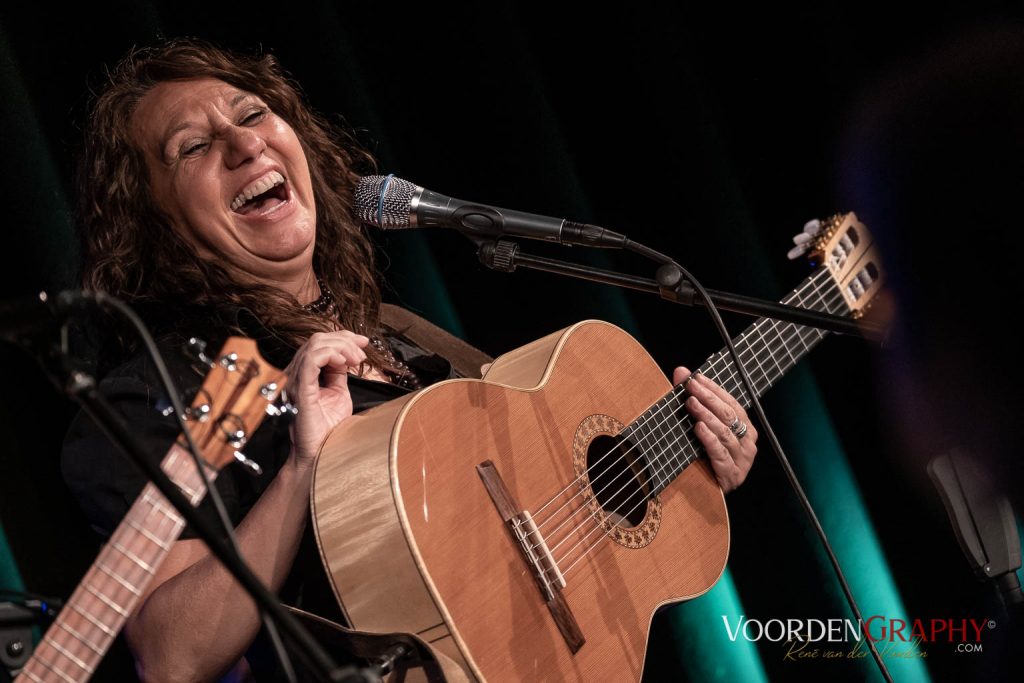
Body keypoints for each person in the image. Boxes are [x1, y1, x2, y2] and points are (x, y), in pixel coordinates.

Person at [61, 39, 759, 682]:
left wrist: (694, 462)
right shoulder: (160, 392)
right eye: (194, 147)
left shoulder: (404, 340)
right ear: (151, 220)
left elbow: (549, 525)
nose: (245, 143)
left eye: (254, 113)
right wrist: (304, 469)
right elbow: (168, 651)